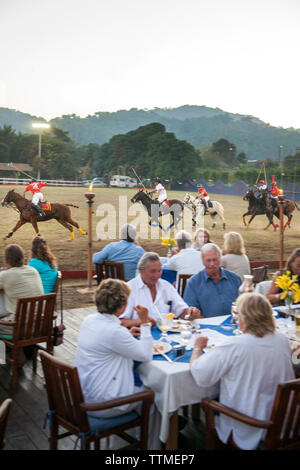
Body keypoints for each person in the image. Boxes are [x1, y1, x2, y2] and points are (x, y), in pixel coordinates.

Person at [190, 293, 295, 450]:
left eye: (238, 314)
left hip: (252, 426)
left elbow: (201, 375)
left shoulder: (236, 345)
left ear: (244, 318)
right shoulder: (281, 339)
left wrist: (197, 348)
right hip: (286, 425)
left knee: (208, 402)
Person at [74, 278, 161, 449]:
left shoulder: (90, 321)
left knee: (144, 387)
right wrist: (144, 323)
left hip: (84, 394)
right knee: (156, 396)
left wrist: (127, 333)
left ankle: (129, 438)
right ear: (122, 306)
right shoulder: (114, 332)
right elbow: (146, 355)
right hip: (102, 403)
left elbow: (110, 342)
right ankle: (152, 448)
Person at [120, 252, 201, 328]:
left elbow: (181, 312)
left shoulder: (166, 286)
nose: (157, 275)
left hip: (166, 334)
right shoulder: (129, 289)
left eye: (159, 271)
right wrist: (142, 321)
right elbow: (120, 322)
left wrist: (191, 313)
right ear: (141, 271)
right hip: (138, 335)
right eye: (153, 271)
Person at [183, 243, 242, 317]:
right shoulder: (194, 282)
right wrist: (194, 313)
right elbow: (190, 310)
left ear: (220, 258)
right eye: (208, 260)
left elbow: (244, 306)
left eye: (215, 259)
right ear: (203, 262)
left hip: (232, 325)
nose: (212, 264)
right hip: (205, 325)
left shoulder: (234, 279)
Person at [0, 244, 43, 331]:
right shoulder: (33, 271)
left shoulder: (5, 275)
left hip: (18, 328)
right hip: (39, 326)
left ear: (6, 260)